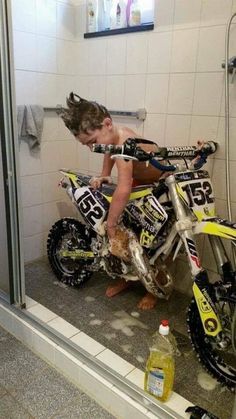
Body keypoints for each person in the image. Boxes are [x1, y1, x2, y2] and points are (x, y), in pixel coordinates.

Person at [61, 92, 168, 310]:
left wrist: (110, 224)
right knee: (128, 233)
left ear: (107, 124)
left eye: (92, 142)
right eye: (87, 145)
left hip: (159, 187)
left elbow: (124, 187)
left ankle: (155, 288)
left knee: (155, 242)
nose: (92, 148)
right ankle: (124, 278)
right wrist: (104, 175)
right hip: (142, 185)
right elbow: (108, 152)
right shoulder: (114, 140)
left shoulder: (125, 141)